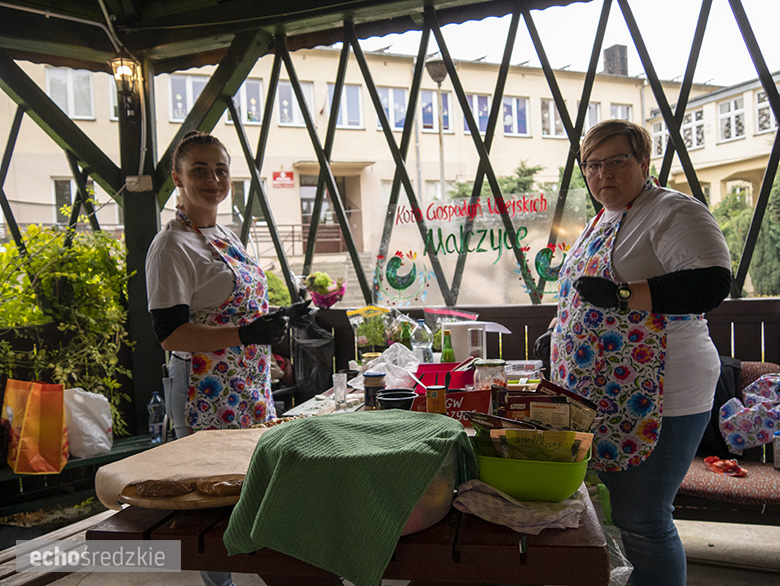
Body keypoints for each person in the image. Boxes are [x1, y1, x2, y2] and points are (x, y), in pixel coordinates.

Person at [550, 119, 731, 586]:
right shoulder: (603, 217)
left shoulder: (673, 211)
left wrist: (624, 296)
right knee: (618, 514)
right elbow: (587, 291)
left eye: (616, 161)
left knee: (644, 518)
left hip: (659, 388)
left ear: (644, 163)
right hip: (605, 388)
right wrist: (562, 325)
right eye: (592, 165)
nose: (602, 174)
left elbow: (710, 284)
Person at [145, 131, 311, 586]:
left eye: (220, 169)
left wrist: (276, 320)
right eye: (199, 169)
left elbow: (238, 312)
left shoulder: (225, 234)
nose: (212, 179)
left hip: (249, 384)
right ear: (177, 178)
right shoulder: (171, 246)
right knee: (212, 498)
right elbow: (170, 333)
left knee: (252, 486)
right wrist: (244, 333)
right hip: (204, 388)